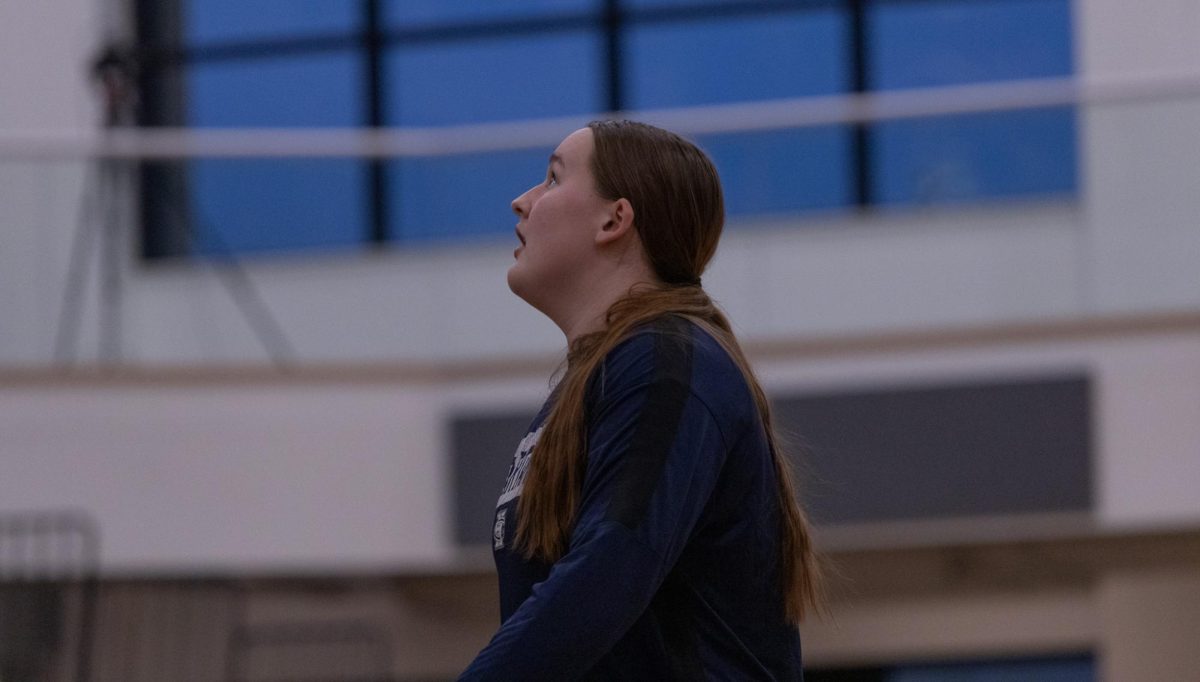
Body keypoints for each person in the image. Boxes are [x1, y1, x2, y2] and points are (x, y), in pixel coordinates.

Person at [459, 120, 823, 681]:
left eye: (552, 179)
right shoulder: (597, 382)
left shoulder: (665, 359)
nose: (522, 201)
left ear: (615, 219)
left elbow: (610, 568)